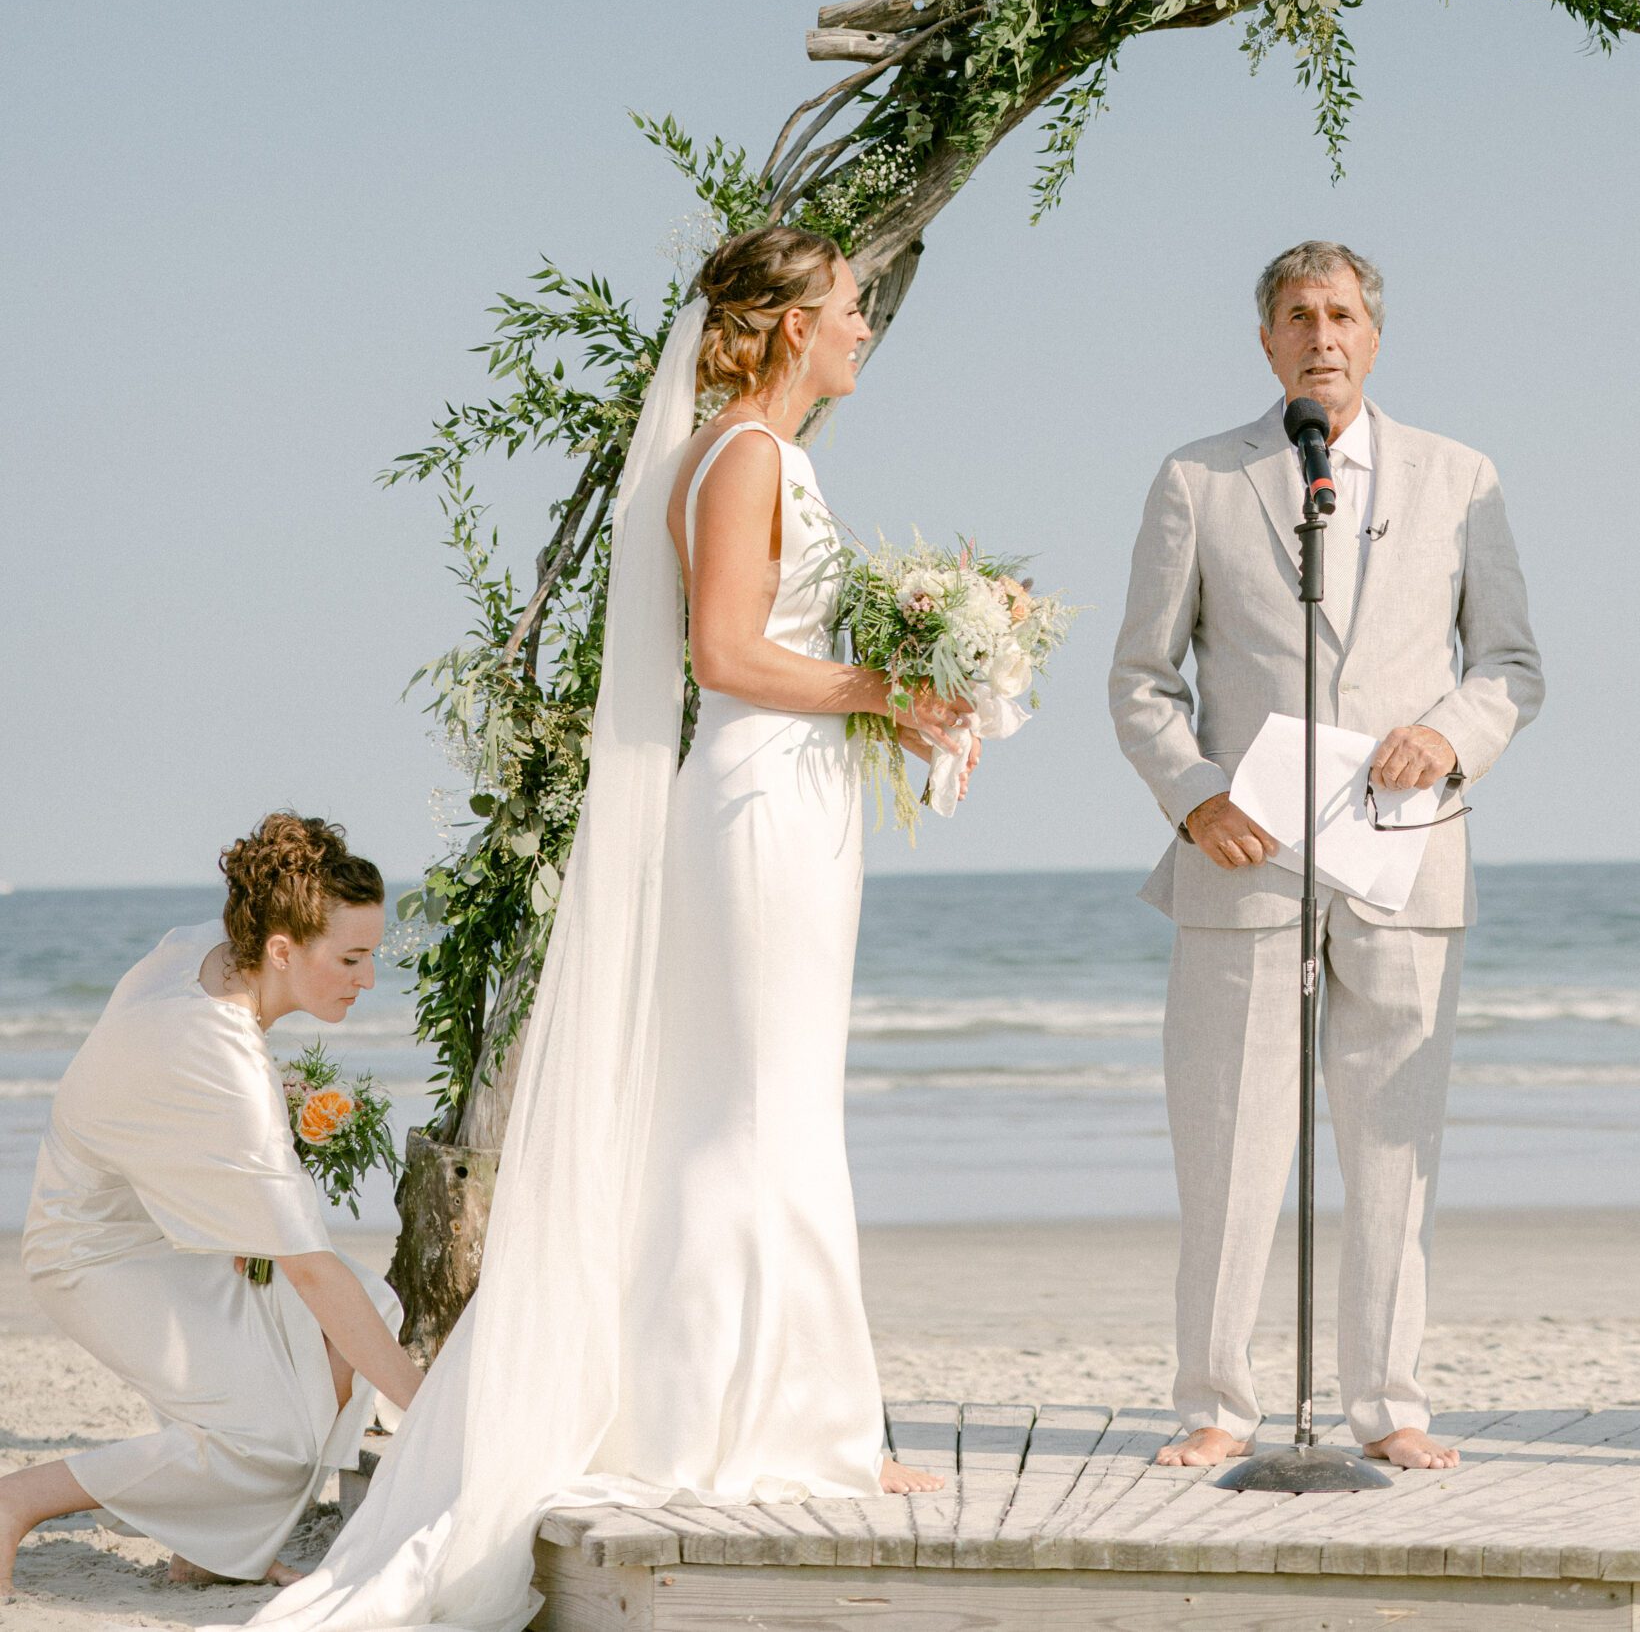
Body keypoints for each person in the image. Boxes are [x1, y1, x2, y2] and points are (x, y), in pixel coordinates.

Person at [245, 226, 964, 1632]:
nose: (866, 324)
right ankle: (765, 1424)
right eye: (849, 306)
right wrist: (893, 689)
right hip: (759, 799)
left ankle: (792, 1409)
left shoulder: (753, 454)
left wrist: (910, 692)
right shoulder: (749, 454)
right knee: (757, 1108)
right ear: (785, 327)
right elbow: (727, 654)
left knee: (764, 1102)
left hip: (784, 800)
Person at [1109, 240, 1543, 1473]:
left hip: (1405, 854)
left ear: (1375, 331)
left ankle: (1389, 1404)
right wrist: (1194, 797)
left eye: (1342, 314)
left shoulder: (1459, 477)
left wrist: (1447, 737)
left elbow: (1511, 664)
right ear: (1265, 340)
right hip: (1244, 860)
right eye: (1297, 316)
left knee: (1393, 1150)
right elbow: (1141, 678)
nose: (1321, 336)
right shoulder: (1200, 479)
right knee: (1231, 1148)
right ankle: (1216, 1402)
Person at [0, 814, 418, 1599]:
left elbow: (140, 1095)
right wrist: (424, 1408)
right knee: (271, 1432)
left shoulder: (210, 943)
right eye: (353, 957)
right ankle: (20, 1498)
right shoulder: (223, 1061)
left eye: (374, 955)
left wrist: (208, 1193)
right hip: (89, 1252)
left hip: (164, 1227)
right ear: (285, 951)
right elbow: (313, 1272)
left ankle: (214, 1547)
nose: (368, 980)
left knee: (375, 1309)